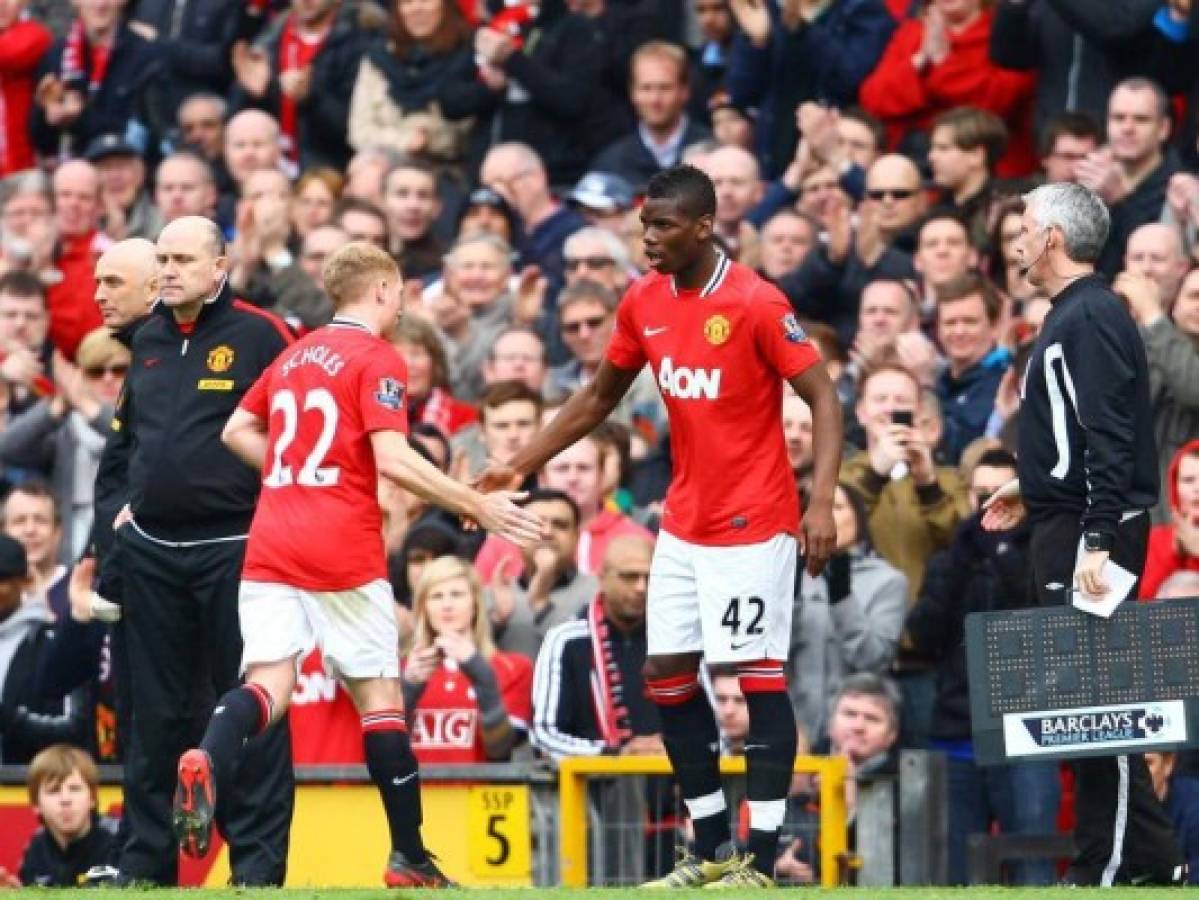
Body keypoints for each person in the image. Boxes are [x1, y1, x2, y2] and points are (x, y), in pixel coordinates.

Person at [477, 164, 842, 888]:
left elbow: (823, 398)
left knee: (757, 676)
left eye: (663, 226)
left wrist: (821, 500)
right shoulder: (643, 299)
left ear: (703, 227)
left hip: (754, 519)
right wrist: (518, 463)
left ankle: (761, 864)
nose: (647, 238)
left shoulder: (754, 302)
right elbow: (596, 398)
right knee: (666, 674)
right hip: (683, 520)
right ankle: (711, 853)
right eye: (644, 223)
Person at [171, 241, 542, 887]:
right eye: (399, 294)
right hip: (339, 542)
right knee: (379, 698)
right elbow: (394, 459)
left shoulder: (292, 357)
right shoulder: (376, 356)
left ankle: (207, 755)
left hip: (273, 538)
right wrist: (474, 505)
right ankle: (408, 856)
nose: (400, 306)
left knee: (267, 684)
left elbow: (235, 430)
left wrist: (293, 476)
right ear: (380, 289)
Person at [984, 181, 1184, 886]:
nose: (1016, 240)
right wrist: (1027, 485)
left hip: (1088, 535)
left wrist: (1095, 539)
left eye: (1025, 227)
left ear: (1052, 240)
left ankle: (1137, 861)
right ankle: (1111, 857)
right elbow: (1073, 435)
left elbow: (1108, 434)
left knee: (1105, 707)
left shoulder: (1089, 316)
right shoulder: (1073, 314)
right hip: (1066, 522)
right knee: (1082, 707)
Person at [109, 216, 296, 887]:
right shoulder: (149, 338)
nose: (168, 270)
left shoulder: (261, 333)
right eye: (161, 257)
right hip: (153, 550)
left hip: (239, 547)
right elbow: (128, 442)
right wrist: (118, 533)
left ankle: (256, 868)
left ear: (221, 265)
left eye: (184, 258)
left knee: (248, 705)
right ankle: (146, 865)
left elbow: (295, 431)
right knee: (152, 715)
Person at [788, 483, 906, 746]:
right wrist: (791, 587)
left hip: (856, 733)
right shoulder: (790, 576)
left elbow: (873, 660)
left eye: (837, 508)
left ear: (858, 519)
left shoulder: (888, 581)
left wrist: (842, 596)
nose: (826, 518)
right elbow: (773, 655)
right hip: (794, 731)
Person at [402, 555, 532, 763]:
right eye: (436, 596)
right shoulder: (402, 671)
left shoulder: (513, 668)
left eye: (457, 594)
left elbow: (499, 750)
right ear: (424, 608)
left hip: (475, 794)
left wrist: (479, 671)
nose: (447, 605)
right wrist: (408, 688)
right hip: (414, 795)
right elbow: (380, 750)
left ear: (475, 603)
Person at [10, 745, 119, 887]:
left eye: (74, 789)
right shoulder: (36, 847)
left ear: (92, 798)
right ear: (36, 805)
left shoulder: (118, 843)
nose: (65, 799)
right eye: (54, 791)